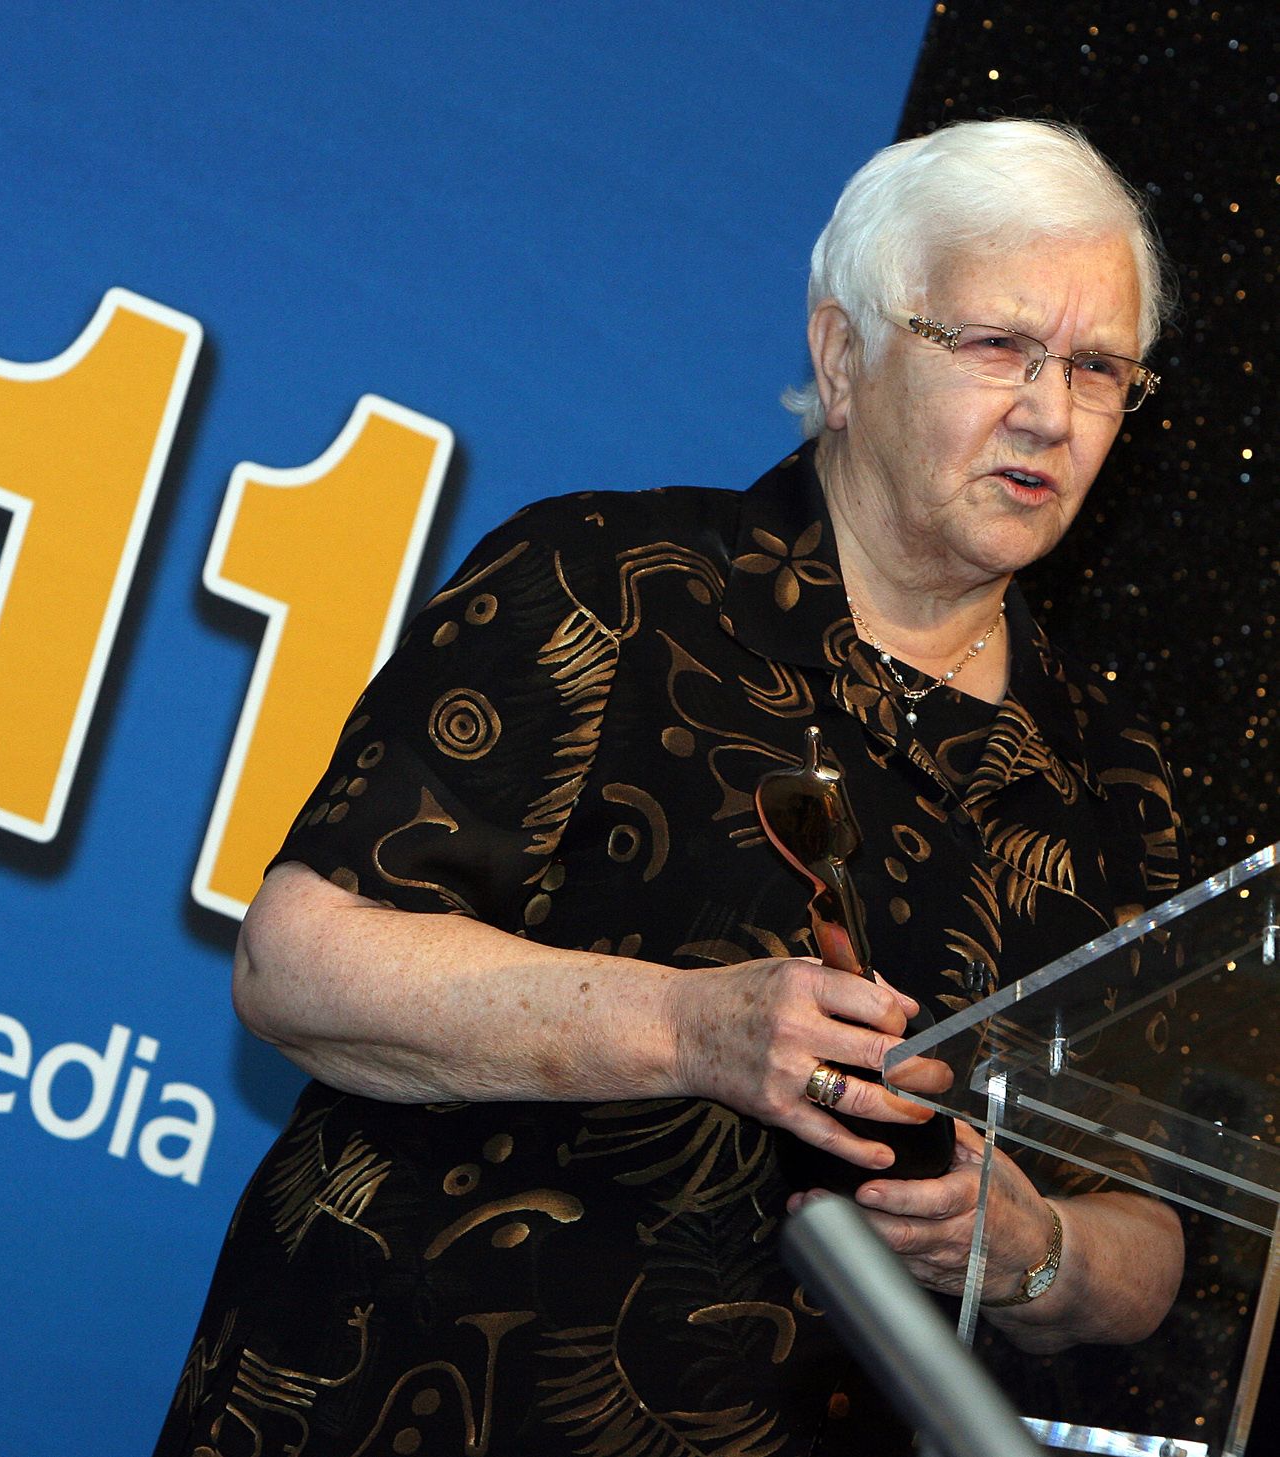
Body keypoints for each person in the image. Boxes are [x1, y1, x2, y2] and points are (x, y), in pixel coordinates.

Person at [155, 118, 1185, 1457]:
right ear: (844, 353)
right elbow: (295, 962)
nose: (1050, 409)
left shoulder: (1113, 783)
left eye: (1099, 367)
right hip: (409, 1399)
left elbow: (1158, 1235)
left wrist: (1040, 1248)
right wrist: (689, 1028)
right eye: (997, 347)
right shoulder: (613, 587)